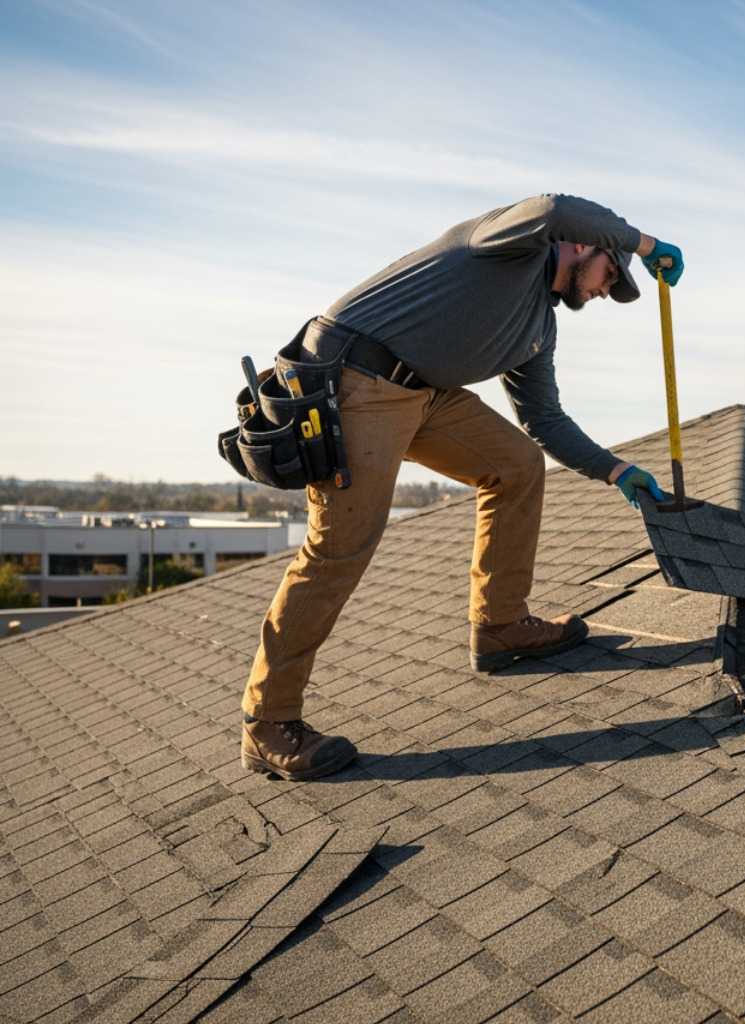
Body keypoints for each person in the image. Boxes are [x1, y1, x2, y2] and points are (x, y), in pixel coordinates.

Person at [239, 194, 683, 781]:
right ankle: (268, 721)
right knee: (341, 544)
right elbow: (555, 208)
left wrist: (616, 470)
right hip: (356, 376)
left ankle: (499, 625)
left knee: (517, 464)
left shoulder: (536, 329)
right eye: (612, 272)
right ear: (583, 244)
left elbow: (543, 421)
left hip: (424, 393)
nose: (608, 290)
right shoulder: (506, 245)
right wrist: (645, 244)